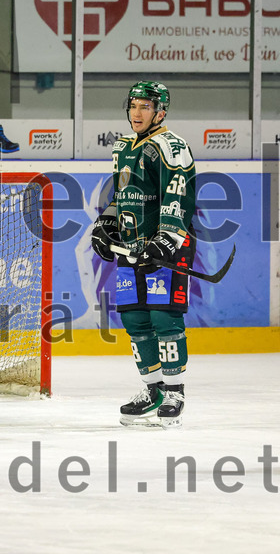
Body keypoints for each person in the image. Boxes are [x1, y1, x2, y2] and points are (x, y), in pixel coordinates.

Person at [91, 81, 196, 428]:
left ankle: (175, 393)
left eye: (145, 107)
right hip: (132, 246)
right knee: (135, 319)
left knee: (164, 318)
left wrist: (167, 237)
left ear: (160, 112)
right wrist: (106, 223)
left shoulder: (171, 146)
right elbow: (123, 193)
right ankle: (153, 391)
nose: (137, 113)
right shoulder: (123, 147)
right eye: (133, 106)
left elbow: (176, 193)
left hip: (167, 246)